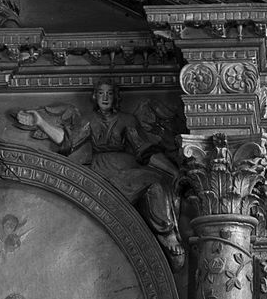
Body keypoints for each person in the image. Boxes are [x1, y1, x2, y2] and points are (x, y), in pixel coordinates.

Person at [14, 82, 184, 268]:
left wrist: (173, 171)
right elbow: (68, 141)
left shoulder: (127, 120)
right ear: (95, 97)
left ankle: (168, 235)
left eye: (109, 93)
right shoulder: (88, 119)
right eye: (101, 93)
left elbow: (144, 150)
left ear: (115, 98)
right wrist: (41, 122)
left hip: (127, 168)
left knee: (158, 185)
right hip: (100, 170)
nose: (105, 97)